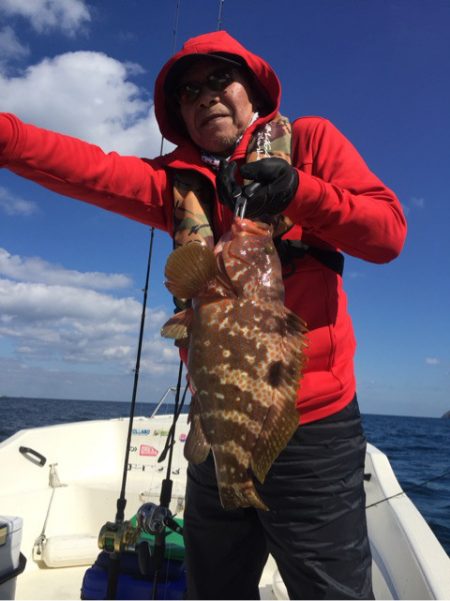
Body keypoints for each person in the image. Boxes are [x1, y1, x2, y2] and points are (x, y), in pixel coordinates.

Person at [0, 30, 406, 599]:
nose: (205, 95)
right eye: (189, 91)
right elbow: (84, 167)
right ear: (178, 113)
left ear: (253, 89)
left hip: (315, 431)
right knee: (212, 589)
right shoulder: (173, 183)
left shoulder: (309, 142)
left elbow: (388, 234)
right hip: (216, 428)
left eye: (220, 79)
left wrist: (300, 191)